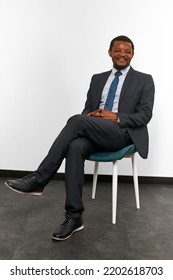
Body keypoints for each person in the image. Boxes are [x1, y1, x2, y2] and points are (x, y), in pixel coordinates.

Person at [5, 35, 155, 241]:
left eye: (127, 51)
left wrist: (116, 116)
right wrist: (91, 116)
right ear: (110, 53)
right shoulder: (98, 78)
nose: (122, 54)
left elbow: (145, 115)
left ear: (132, 55)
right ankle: (74, 218)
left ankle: (39, 179)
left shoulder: (144, 80)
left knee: (76, 121)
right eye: (118, 50)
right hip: (97, 130)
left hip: (122, 133)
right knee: (75, 146)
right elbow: (87, 109)